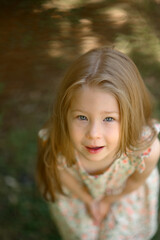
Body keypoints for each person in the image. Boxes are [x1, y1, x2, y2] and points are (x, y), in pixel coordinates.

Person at [36, 46, 160, 240]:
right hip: (78, 195)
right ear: (64, 113)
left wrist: (108, 201)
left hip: (124, 196)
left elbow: (136, 181)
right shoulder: (59, 140)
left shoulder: (146, 150)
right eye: (82, 117)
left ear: (131, 115)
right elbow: (59, 171)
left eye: (109, 119)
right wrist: (89, 201)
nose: (93, 134)